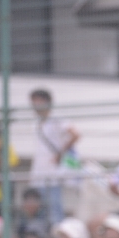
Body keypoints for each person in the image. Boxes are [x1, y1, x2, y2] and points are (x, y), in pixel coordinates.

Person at [29, 89, 81, 224]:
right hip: (39, 173)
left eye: (38, 101)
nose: (34, 105)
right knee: (40, 213)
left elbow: (75, 134)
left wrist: (60, 154)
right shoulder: (37, 123)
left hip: (53, 174)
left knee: (55, 211)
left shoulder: (57, 120)